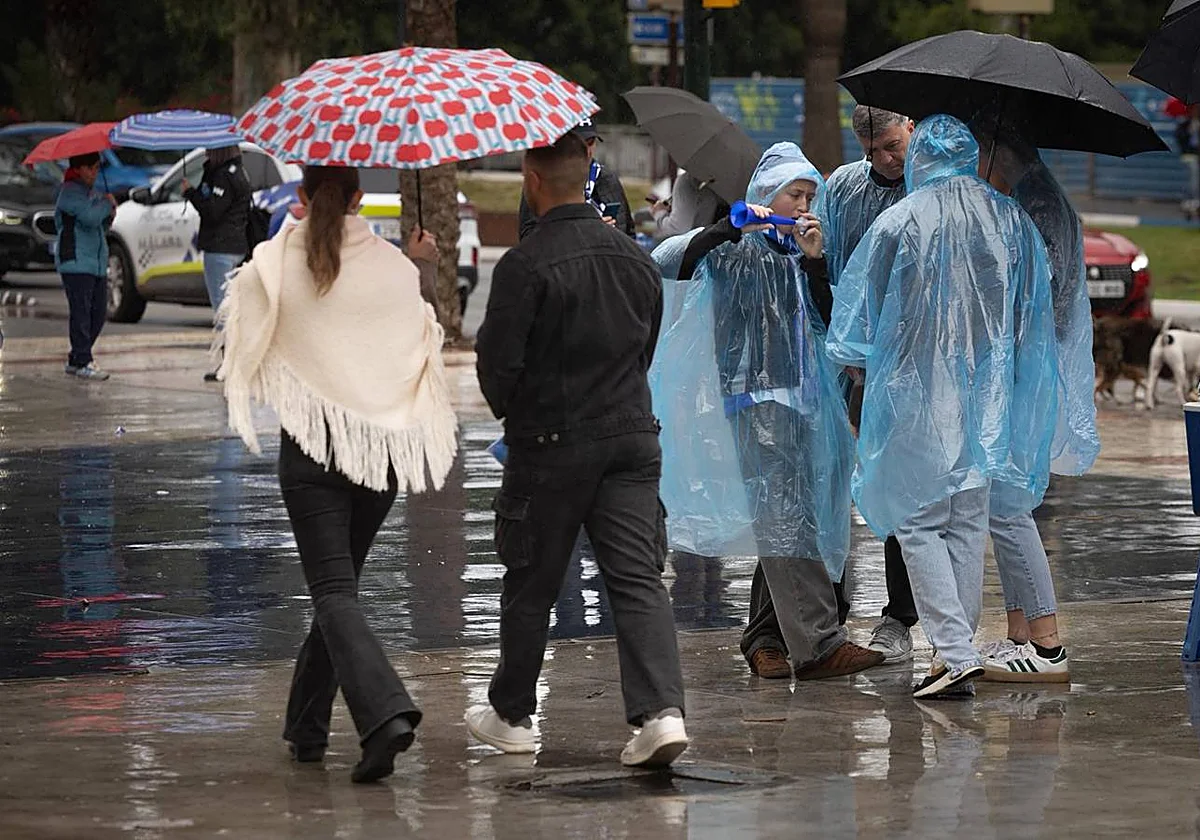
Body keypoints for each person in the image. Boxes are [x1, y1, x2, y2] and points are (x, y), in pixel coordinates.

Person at [216, 165, 459, 783]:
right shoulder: (394, 268)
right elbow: (420, 330)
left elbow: (253, 318)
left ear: (301, 197)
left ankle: (384, 715)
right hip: (379, 455)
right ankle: (306, 729)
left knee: (333, 593)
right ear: (358, 198)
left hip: (312, 454)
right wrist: (420, 266)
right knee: (340, 589)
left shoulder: (274, 260)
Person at [470, 132, 688, 768]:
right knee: (637, 579)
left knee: (533, 581)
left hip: (551, 446)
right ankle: (661, 713)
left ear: (531, 181)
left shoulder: (524, 266)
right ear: (589, 174)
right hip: (630, 438)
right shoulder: (637, 260)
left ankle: (512, 715)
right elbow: (644, 349)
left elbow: (497, 375)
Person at [827, 114, 1059, 699]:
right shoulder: (1010, 220)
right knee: (964, 523)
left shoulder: (899, 220)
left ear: (921, 155)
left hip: (916, 394)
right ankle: (952, 652)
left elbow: (857, 318)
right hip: (987, 396)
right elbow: (1031, 313)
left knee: (918, 520)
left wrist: (862, 365)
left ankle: (953, 653)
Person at [650, 142, 880, 682]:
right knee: (785, 523)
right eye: (793, 194)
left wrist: (819, 262)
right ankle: (819, 645)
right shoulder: (735, 249)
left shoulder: (803, 252)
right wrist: (728, 228)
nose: (803, 205)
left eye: (809, 195)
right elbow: (667, 262)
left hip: (811, 405)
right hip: (755, 404)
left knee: (807, 520)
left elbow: (834, 324)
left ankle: (765, 636)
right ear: (764, 195)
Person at [967, 116, 1100, 682]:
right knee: (1009, 504)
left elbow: (1044, 299)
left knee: (1007, 507)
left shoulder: (1035, 205)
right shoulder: (1034, 194)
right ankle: (1019, 634)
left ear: (995, 151)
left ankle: (1046, 645)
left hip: (1024, 376)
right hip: (1024, 373)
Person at [818, 105, 918, 665]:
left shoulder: (932, 186)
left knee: (903, 484)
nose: (886, 159)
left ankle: (901, 614)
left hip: (915, 357)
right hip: (854, 357)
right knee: (843, 473)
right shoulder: (844, 189)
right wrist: (849, 349)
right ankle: (831, 606)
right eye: (875, 151)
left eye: (893, 146)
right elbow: (832, 269)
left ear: (908, 127)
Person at [182, 144, 252, 382]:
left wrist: (190, 193)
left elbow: (212, 211)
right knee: (232, 309)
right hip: (237, 248)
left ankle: (229, 365)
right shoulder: (238, 171)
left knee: (223, 310)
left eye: (210, 151)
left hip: (220, 249)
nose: (206, 154)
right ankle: (233, 363)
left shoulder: (224, 176)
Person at [54, 152, 116, 381]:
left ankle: (77, 356)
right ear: (78, 169)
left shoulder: (92, 193)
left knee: (97, 313)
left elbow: (99, 226)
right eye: (90, 168)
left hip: (95, 262)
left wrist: (109, 212)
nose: (94, 173)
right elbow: (89, 217)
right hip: (76, 261)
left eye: (97, 168)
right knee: (81, 312)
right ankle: (83, 360)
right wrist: (105, 205)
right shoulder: (69, 192)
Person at [518, 117, 634, 239]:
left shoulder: (608, 178)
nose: (587, 151)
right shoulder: (546, 178)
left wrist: (609, 235)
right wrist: (584, 232)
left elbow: (629, 232)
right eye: (581, 144)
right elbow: (527, 235)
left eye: (591, 142)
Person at [648, 171, 728, 238]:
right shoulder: (722, 179)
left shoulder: (686, 181)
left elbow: (677, 228)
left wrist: (659, 213)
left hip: (692, 248)